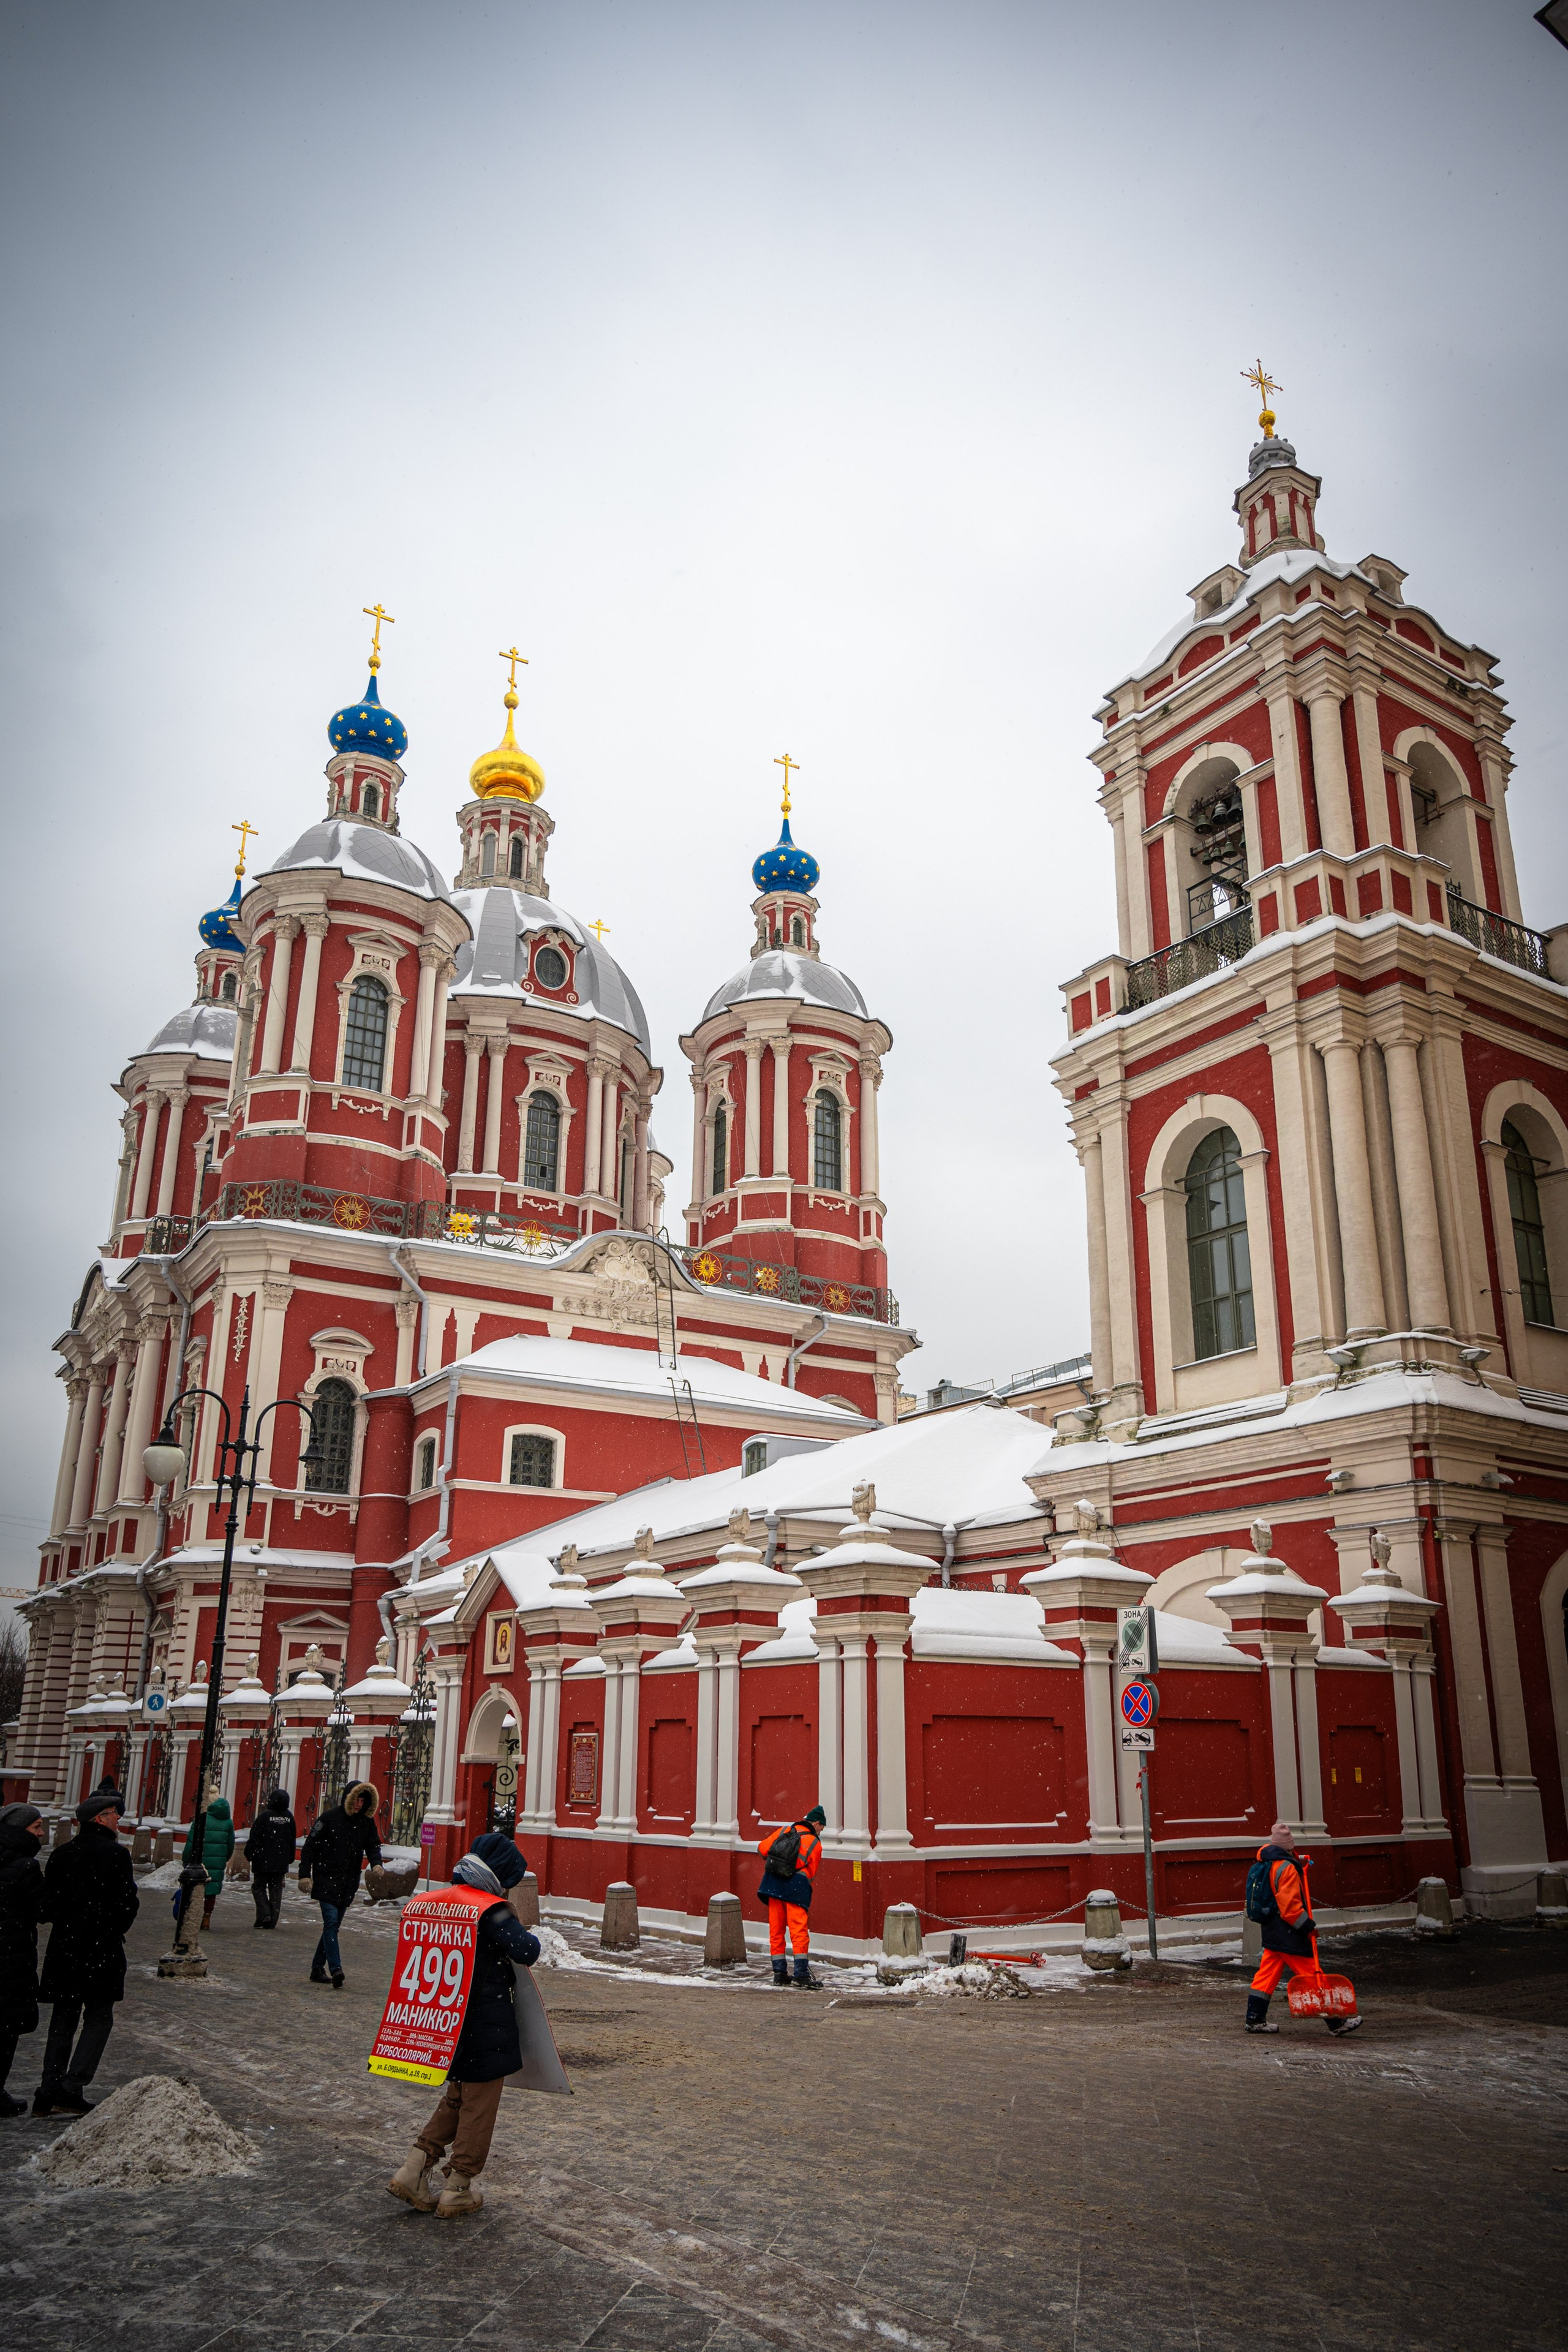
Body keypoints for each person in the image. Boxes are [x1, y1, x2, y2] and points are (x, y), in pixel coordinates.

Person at [388, 1830, 541, 2220]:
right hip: (485, 2025)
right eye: (508, 1879)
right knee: (480, 2105)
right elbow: (528, 1950)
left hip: (446, 2022)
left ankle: (414, 2169)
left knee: (458, 2096)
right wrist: (511, 1915)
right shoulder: (489, 1909)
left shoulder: (434, 1901)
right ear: (498, 1876)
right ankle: (458, 2186)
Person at [35, 1785, 140, 2116]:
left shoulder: (62, 1854)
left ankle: (48, 2088)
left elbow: (46, 1907)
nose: (119, 1820)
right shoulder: (116, 1855)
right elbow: (127, 1905)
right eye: (114, 1815)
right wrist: (110, 1927)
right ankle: (72, 2084)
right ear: (100, 1819)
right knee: (98, 2018)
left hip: (65, 1948)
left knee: (63, 2020)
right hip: (101, 1949)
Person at [1245, 1819, 1361, 2037]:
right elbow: (1289, 1908)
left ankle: (1254, 2019)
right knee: (1311, 1973)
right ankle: (1338, 2022)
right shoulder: (1287, 1868)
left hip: (1271, 1928)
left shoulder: (1268, 1861)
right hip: (1288, 1931)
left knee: (1266, 1975)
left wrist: (1298, 1861)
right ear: (1289, 1846)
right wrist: (1307, 1926)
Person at [298, 1781, 381, 1987]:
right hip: (326, 1879)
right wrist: (304, 1875)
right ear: (349, 1798)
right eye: (356, 1800)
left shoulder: (366, 1822)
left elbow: (373, 1845)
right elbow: (309, 1847)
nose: (359, 1805)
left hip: (348, 1883)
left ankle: (317, 1968)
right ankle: (336, 1969)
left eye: (363, 1801)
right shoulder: (329, 1818)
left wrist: (377, 1863)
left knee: (332, 1926)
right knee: (331, 1923)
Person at [0, 1803, 47, 2119]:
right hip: (9, 1959)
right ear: (19, 1830)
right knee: (6, 2029)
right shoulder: (26, 1865)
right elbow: (44, 1910)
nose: (42, 1833)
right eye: (36, 1828)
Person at [756, 1804, 827, 1989]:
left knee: (776, 1930)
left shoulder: (786, 1829)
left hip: (772, 1884)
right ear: (817, 1823)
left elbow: (762, 1849)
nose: (821, 1832)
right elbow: (811, 1873)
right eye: (822, 1828)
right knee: (799, 1932)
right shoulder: (815, 1843)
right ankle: (801, 1974)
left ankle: (779, 1973)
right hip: (795, 1889)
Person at [181, 1792, 235, 1930]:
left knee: (196, 1888)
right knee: (211, 1890)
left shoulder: (201, 1819)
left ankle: (194, 1916)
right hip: (218, 1862)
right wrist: (225, 1858)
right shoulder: (228, 1822)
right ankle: (207, 1917)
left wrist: (186, 1859)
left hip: (200, 1861)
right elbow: (231, 1845)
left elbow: (191, 1842)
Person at [244, 1787, 297, 1929]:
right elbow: (292, 1840)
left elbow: (254, 1837)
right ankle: (272, 1920)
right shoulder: (289, 1817)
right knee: (276, 1890)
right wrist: (290, 1858)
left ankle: (264, 1914)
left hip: (263, 1860)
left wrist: (249, 1853)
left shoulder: (264, 1816)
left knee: (258, 1887)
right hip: (281, 1861)